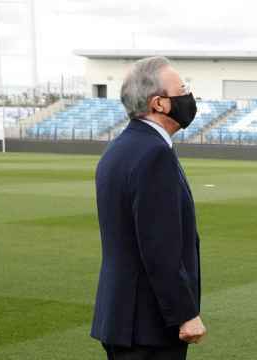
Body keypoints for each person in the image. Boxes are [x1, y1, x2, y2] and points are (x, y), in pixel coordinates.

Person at [91, 56, 206, 360]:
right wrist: (185, 314)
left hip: (121, 318)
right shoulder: (155, 154)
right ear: (159, 103)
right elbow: (159, 246)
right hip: (149, 326)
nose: (188, 96)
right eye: (182, 89)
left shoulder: (118, 149)